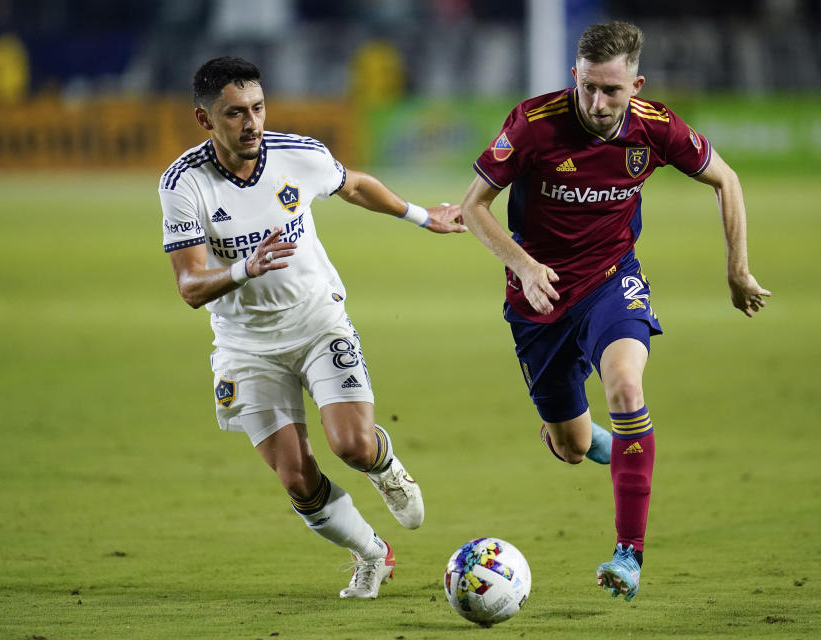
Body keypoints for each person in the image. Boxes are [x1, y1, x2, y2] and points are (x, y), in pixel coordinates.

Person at [460, 22, 771, 601]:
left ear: (637, 85)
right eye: (588, 88)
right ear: (573, 76)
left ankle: (629, 553)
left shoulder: (656, 128)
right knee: (573, 448)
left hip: (611, 281)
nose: (598, 104)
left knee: (626, 389)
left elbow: (725, 180)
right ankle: (605, 445)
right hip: (539, 299)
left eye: (612, 91)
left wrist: (737, 269)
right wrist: (525, 267)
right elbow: (474, 207)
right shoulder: (532, 124)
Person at [158, 56, 466, 599]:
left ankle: (384, 465)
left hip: (317, 321)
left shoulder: (297, 155)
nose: (251, 122)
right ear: (205, 120)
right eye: (234, 113)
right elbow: (189, 287)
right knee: (297, 479)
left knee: (350, 444)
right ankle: (371, 553)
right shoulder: (184, 184)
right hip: (245, 346)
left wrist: (423, 216)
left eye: (257, 108)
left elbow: (353, 186)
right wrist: (244, 268)